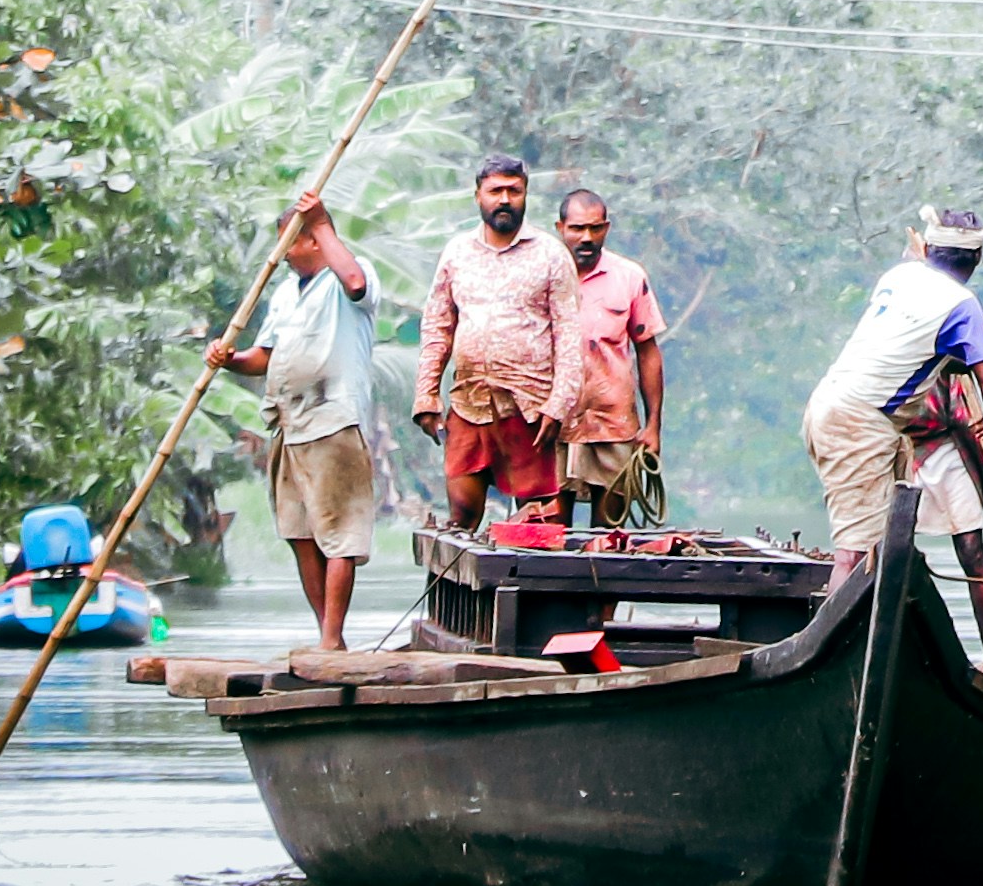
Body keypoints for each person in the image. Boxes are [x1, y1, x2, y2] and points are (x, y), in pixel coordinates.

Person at [801, 204, 983, 655]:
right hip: (860, 421)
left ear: (929, 249)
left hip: (834, 405)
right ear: (976, 259)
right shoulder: (961, 305)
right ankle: (821, 658)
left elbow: (917, 350)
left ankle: (874, 652)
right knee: (855, 555)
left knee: (882, 550)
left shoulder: (899, 278)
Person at [210, 190, 377, 646]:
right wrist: (228, 359)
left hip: (333, 421)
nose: (282, 255)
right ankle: (326, 635)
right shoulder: (286, 293)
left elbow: (356, 283)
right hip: (290, 424)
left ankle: (332, 638)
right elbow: (264, 356)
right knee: (300, 532)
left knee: (339, 534)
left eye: (289, 242)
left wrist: (321, 221)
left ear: (312, 240)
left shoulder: (349, 275)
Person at [413, 154, 583, 530]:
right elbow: (438, 326)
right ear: (478, 196)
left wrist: (559, 406)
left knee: (538, 522)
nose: (504, 199)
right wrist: (426, 394)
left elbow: (570, 336)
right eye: (495, 191)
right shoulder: (457, 253)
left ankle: (532, 571)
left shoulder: (551, 254)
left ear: (525, 195)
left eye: (513, 191)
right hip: (469, 402)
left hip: (531, 408)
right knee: (461, 516)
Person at [553, 188, 668, 532]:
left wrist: (653, 425)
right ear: (560, 228)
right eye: (577, 228)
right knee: (548, 529)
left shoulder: (629, 277)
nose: (586, 238)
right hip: (551, 423)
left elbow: (647, 351)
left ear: (606, 228)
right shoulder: (541, 275)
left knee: (608, 533)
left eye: (595, 228)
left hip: (613, 424)